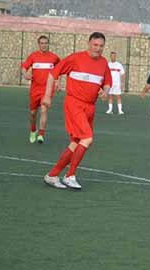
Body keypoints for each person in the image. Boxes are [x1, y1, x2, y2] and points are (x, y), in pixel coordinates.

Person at [42, 32, 112, 190]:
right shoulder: (75, 58)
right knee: (87, 138)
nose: (98, 48)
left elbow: (107, 82)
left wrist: (105, 92)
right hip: (74, 104)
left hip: (90, 107)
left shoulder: (103, 63)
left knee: (76, 143)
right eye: (95, 45)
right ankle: (70, 175)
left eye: (101, 46)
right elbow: (53, 74)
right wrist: (47, 96)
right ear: (89, 44)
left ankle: (52, 175)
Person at [21, 35, 61, 143]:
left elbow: (60, 69)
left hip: (47, 90)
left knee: (44, 110)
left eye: (46, 43)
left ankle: (41, 134)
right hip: (35, 90)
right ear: (39, 44)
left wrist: (57, 82)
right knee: (33, 113)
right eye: (42, 43)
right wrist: (25, 74)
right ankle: (33, 130)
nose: (44, 45)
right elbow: (24, 67)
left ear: (48, 44)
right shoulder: (33, 56)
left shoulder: (54, 57)